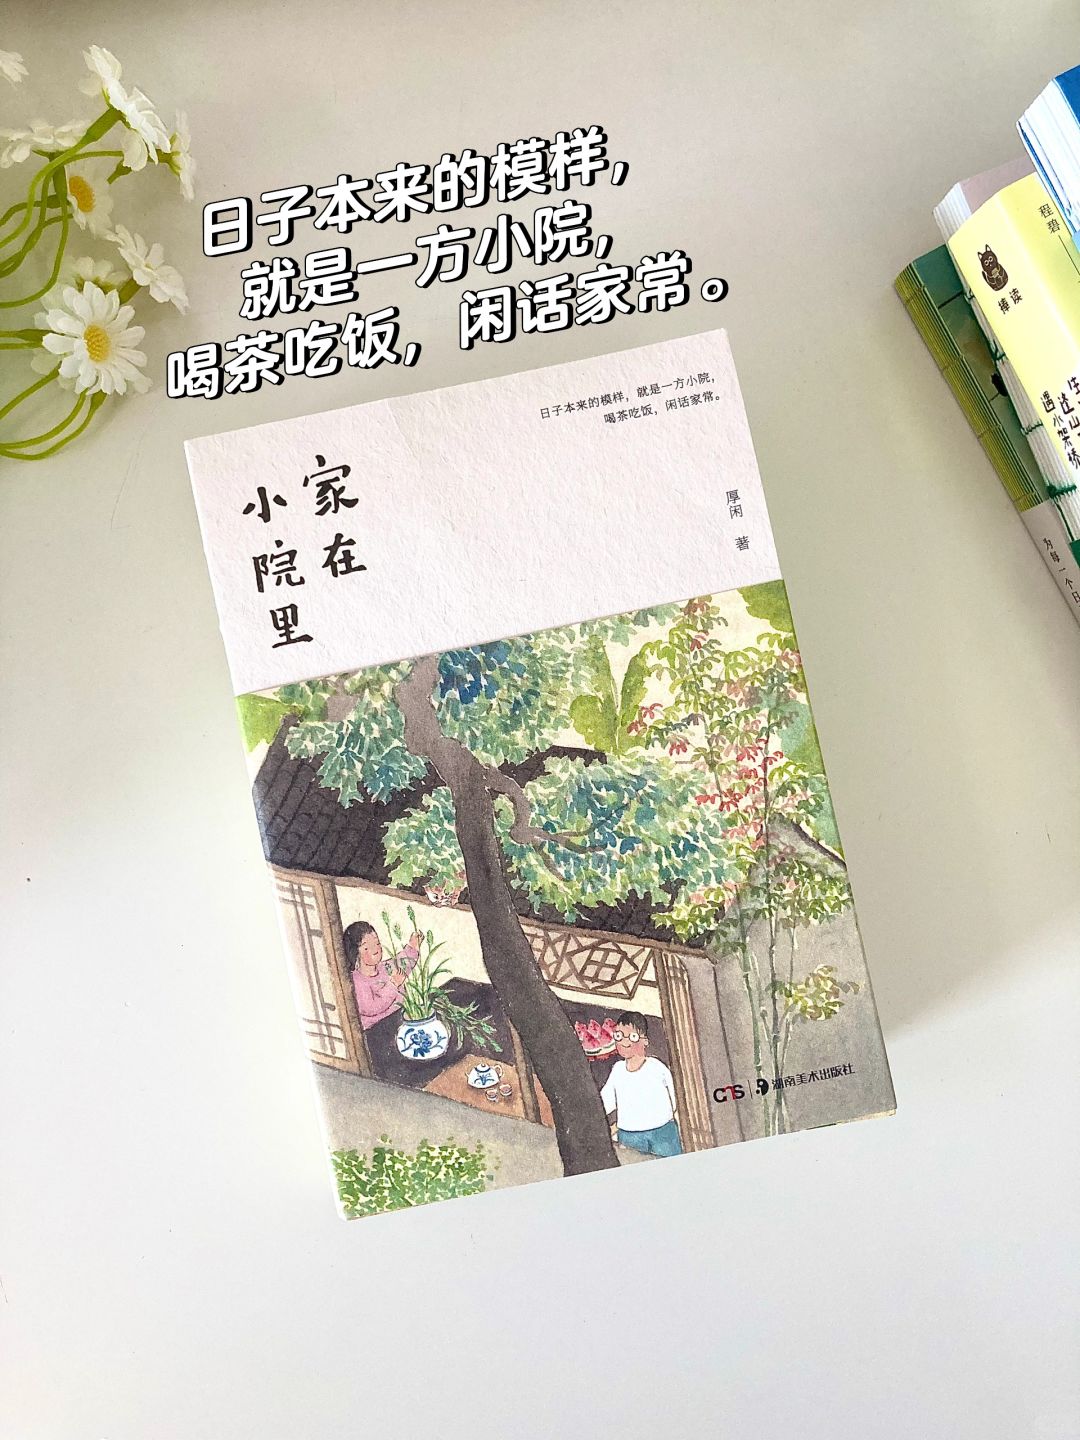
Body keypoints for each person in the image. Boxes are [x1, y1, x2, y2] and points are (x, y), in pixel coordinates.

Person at [599, 1011, 683, 1158]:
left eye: (632, 1037)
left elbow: (675, 1100)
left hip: (662, 1132)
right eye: (619, 1036)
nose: (625, 1042)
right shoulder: (618, 1070)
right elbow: (606, 1102)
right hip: (630, 1135)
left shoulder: (657, 1067)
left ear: (645, 1041)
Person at [342, 920, 422, 1030]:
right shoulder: (357, 981)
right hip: (378, 1029)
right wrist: (393, 985)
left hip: (402, 1018)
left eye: (377, 943)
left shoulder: (385, 967)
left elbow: (402, 963)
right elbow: (371, 1007)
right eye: (366, 948)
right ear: (355, 953)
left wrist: (413, 946)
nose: (375, 949)